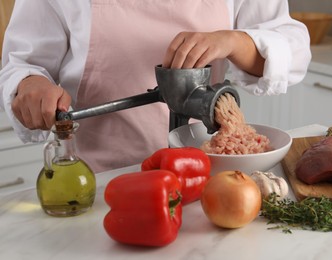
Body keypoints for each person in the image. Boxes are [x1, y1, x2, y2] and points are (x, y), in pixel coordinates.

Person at [0, 0, 311, 173]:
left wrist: (233, 40)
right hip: (99, 178)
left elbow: (293, 49)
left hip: (208, 176)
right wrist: (31, 85)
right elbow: (23, 62)